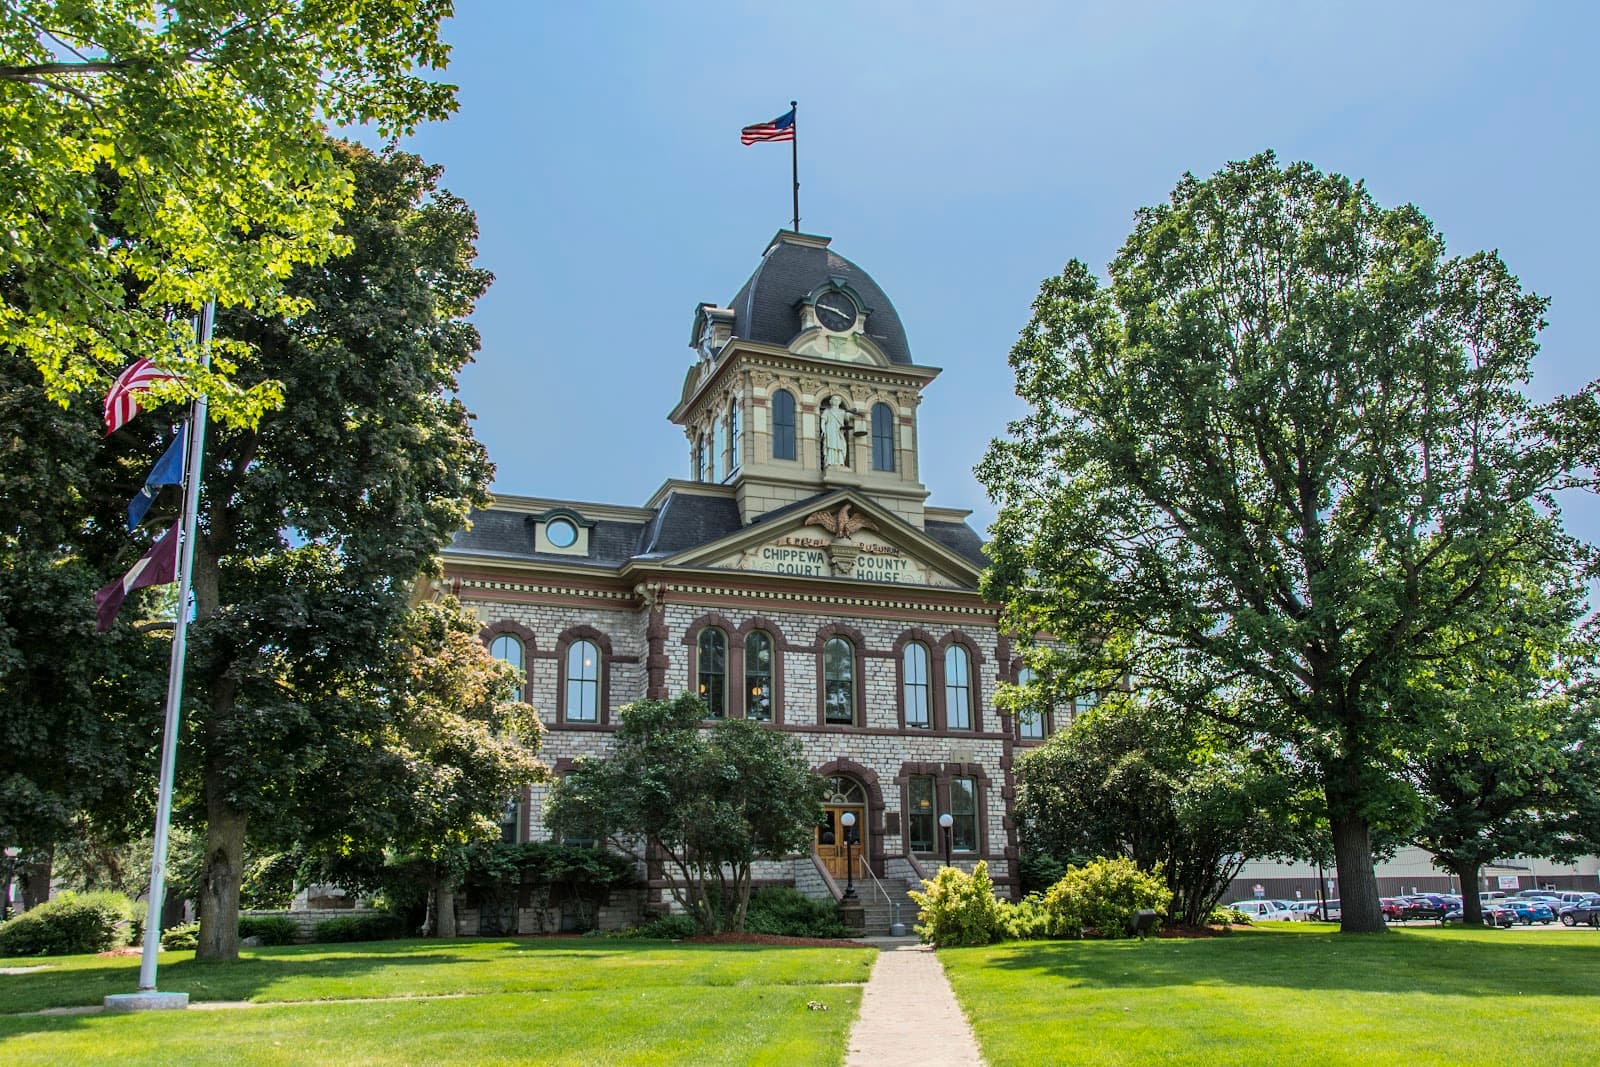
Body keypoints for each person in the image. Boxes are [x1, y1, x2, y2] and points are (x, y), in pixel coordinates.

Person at [820, 396, 849, 468]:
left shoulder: (842, 412)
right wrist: (823, 430)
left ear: (839, 402)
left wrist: (857, 413)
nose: (835, 401)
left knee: (840, 446)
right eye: (834, 400)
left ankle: (840, 462)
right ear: (831, 402)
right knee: (831, 446)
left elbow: (848, 418)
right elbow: (823, 421)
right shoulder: (827, 411)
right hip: (830, 430)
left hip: (839, 432)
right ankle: (830, 462)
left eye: (837, 400)